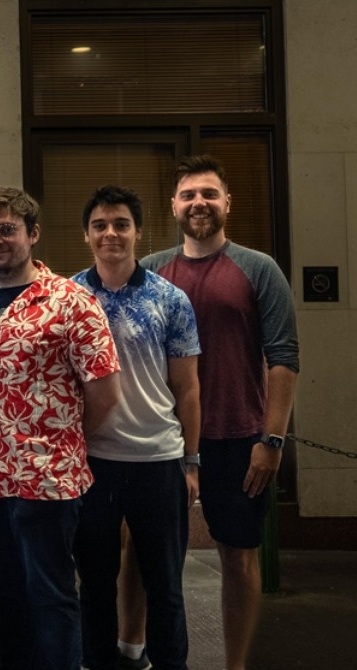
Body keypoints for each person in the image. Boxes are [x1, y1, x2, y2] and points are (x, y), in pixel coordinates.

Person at [0, 186, 120, 670]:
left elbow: (105, 393)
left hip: (44, 479)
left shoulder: (72, 302)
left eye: (7, 229)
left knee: (51, 594)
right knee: (3, 591)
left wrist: (59, 441)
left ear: (33, 233)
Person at [141, 155, 299, 670]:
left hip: (239, 439)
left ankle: (235, 665)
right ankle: (144, 654)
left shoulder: (259, 269)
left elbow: (284, 357)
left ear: (227, 202)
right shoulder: (151, 272)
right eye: (188, 195)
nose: (199, 203)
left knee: (238, 556)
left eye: (209, 193)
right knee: (149, 558)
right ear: (173, 205)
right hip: (164, 441)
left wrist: (272, 441)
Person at [70, 185, 202, 670]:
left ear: (138, 232)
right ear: (86, 235)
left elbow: (188, 387)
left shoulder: (170, 299)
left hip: (158, 459)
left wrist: (191, 462)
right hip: (92, 462)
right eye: (100, 225)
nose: (111, 233)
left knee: (165, 585)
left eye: (121, 224)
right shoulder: (68, 298)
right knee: (94, 584)